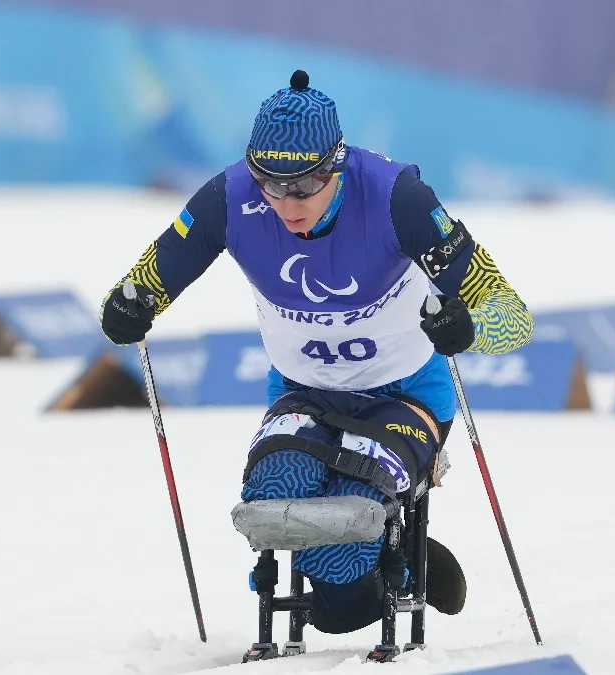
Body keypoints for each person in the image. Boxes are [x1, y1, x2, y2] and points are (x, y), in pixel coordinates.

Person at [99, 70, 533, 635]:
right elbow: (138, 289)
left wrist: (468, 327)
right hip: (302, 392)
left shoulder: (397, 197)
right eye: (269, 183)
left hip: (404, 394)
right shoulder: (229, 198)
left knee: (342, 545)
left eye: (304, 185)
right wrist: (127, 309)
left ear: (337, 165)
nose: (286, 203)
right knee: (272, 501)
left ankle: (391, 557)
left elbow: (512, 316)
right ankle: (386, 562)